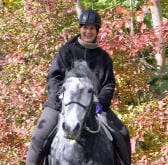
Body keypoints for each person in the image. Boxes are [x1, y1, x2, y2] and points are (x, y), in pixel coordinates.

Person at [26, 9, 131, 165]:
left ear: (97, 31)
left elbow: (109, 83)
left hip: (94, 105)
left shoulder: (104, 57)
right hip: (61, 103)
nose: (88, 32)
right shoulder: (66, 51)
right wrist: (58, 99)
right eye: (85, 27)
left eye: (92, 28)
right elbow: (54, 77)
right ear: (80, 28)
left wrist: (101, 102)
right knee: (38, 137)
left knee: (122, 133)